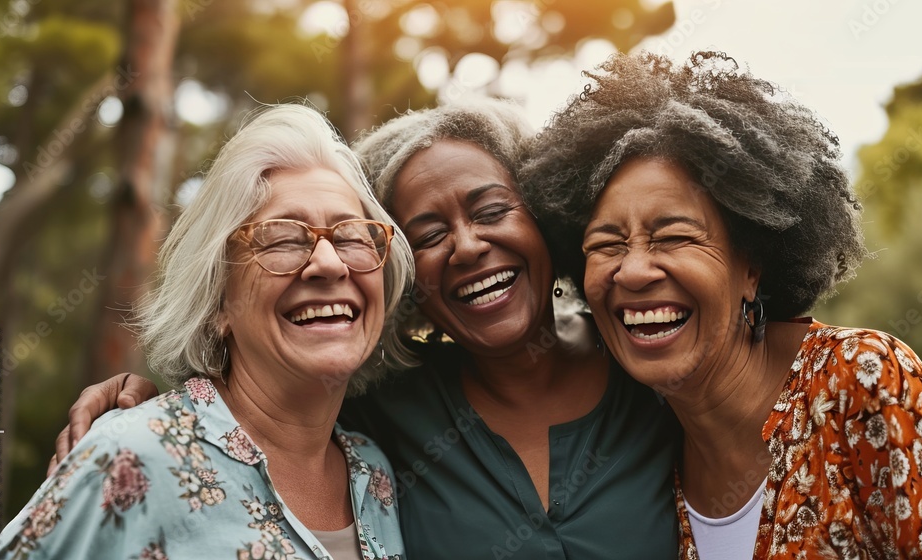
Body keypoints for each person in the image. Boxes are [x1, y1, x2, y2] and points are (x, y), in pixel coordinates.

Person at [48, 98, 680, 558]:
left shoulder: (657, 372)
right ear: (405, 282)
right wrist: (140, 404)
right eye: (428, 235)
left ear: (545, 221)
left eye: (492, 210)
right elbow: (253, 402)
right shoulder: (380, 417)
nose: (466, 246)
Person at [522, 50, 922, 558]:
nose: (634, 270)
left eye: (673, 237)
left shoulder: (863, 382)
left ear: (751, 268)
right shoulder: (642, 442)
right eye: (606, 245)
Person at [0, 104, 410, 559]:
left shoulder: (375, 470)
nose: (329, 263)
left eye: (350, 235)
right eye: (284, 238)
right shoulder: (130, 454)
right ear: (217, 303)